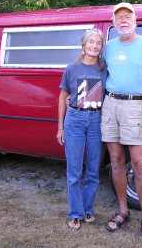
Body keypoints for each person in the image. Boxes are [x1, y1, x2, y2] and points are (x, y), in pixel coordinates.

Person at [101, 2, 142, 241]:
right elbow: (95, 75)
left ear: (135, 20)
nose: (124, 21)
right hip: (110, 105)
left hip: (135, 106)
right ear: (114, 23)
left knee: (139, 164)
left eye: (128, 17)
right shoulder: (107, 47)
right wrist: (73, 98)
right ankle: (123, 210)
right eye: (119, 18)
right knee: (116, 161)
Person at [57, 28, 107, 230]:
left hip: (97, 121)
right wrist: (60, 127)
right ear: (84, 45)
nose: (94, 45)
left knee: (93, 170)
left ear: (101, 47)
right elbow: (62, 98)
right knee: (74, 170)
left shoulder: (105, 69)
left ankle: (88, 209)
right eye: (91, 42)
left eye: (98, 43)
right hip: (75, 120)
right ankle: (75, 212)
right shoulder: (71, 68)